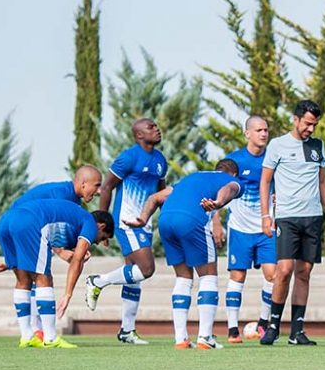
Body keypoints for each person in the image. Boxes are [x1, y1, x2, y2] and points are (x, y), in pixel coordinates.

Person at [124, 160, 242, 349]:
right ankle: (205, 338)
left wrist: (143, 219)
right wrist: (219, 202)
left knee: (183, 279)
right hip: (191, 220)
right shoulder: (233, 180)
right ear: (234, 173)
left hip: (166, 221)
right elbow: (229, 188)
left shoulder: (191, 178)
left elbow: (154, 198)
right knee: (208, 277)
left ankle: (181, 339)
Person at [259, 100, 325, 346]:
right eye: (307, 123)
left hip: (313, 217)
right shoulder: (277, 145)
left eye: (314, 124)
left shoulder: (318, 146)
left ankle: (297, 331)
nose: (311, 129)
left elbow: (322, 182)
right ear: (295, 119)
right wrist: (266, 216)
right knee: (283, 271)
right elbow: (265, 182)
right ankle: (273, 326)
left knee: (304, 272)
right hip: (286, 217)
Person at [0, 166, 104, 344]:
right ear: (83, 184)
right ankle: (48, 336)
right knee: (43, 277)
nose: (99, 191)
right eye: (97, 185)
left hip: (7, 222)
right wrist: (62, 252)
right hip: (26, 224)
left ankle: (30, 334)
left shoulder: (72, 199)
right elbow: (47, 224)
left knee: (25, 280)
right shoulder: (63, 195)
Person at [85, 118, 168, 345]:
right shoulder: (129, 157)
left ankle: (127, 330)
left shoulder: (160, 160)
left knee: (134, 276)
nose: (156, 129)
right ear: (139, 135)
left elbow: (160, 194)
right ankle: (98, 281)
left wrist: (168, 218)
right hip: (127, 221)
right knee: (147, 269)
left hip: (145, 223)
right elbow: (107, 186)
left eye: (156, 126)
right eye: (150, 127)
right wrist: (102, 221)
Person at [213, 116, 276, 343]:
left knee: (273, 275)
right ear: (247, 133)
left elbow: (277, 191)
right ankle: (232, 329)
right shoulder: (234, 160)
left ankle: (263, 323)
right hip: (239, 228)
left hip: (266, 229)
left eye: (266, 130)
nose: (263, 134)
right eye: (258, 130)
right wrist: (216, 221)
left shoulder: (273, 158)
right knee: (237, 276)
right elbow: (217, 190)